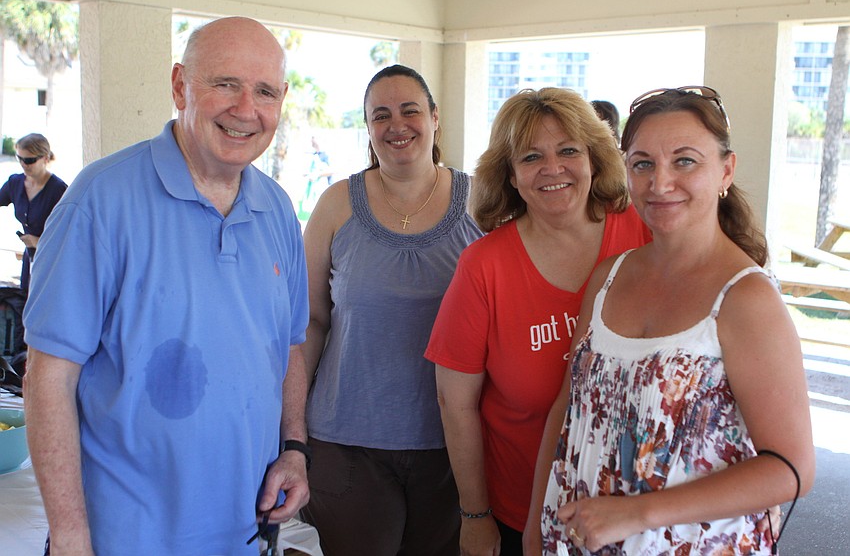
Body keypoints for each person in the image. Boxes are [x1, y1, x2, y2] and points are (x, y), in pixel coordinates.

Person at [23, 17, 311, 555]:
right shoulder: (99, 201)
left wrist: (294, 447)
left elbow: (289, 345)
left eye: (265, 92)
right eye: (225, 83)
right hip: (125, 537)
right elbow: (48, 378)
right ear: (180, 86)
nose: (245, 109)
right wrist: (69, 536)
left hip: (243, 534)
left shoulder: (276, 209)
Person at [538, 86, 815, 555]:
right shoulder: (609, 276)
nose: (659, 182)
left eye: (685, 161)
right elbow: (568, 407)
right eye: (642, 163)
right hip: (577, 539)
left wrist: (638, 513)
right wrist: (536, 525)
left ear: (726, 170)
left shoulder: (745, 298)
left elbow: (792, 468)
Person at [424, 87, 651, 556]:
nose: (553, 168)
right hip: (522, 512)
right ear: (510, 175)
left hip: (643, 505)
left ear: (594, 158)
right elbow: (455, 402)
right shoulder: (484, 265)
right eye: (531, 157)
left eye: (568, 150)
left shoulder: (645, 232)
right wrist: (474, 515)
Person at [297, 64, 482, 556]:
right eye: (381, 115)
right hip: (346, 442)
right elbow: (310, 322)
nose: (396, 125)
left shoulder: (481, 202)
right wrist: (289, 431)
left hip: (452, 445)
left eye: (409, 110)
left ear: (435, 118)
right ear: (368, 127)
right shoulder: (336, 204)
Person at [0, 133, 67, 293]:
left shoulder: (59, 190)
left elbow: (69, 231)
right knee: (25, 298)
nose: (24, 164)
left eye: (29, 160)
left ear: (45, 158)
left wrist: (38, 241)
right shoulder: (15, 183)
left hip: (52, 259)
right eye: (19, 158)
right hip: (29, 257)